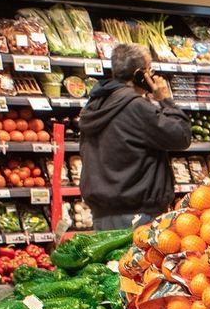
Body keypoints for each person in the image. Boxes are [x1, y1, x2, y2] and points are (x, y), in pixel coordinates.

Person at [79, 43, 191, 230]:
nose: (153, 76)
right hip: (137, 212)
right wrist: (165, 100)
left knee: (112, 261)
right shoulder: (136, 107)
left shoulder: (94, 104)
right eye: (150, 70)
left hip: (102, 212)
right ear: (140, 75)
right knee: (135, 260)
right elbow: (181, 136)